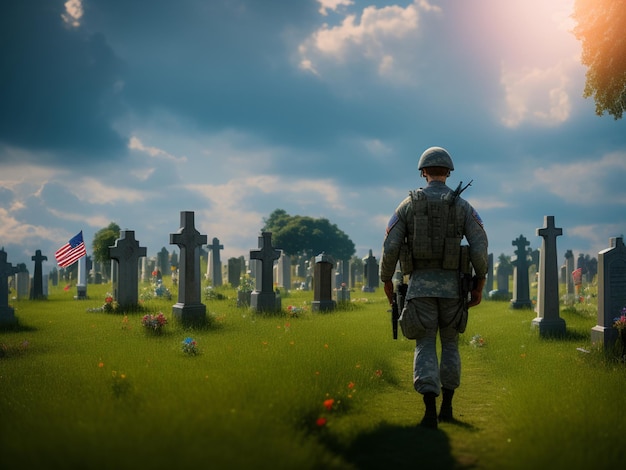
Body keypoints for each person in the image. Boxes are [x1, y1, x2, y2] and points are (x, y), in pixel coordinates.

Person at [380, 146, 488, 429]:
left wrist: (386, 280)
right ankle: (448, 408)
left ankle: (429, 412)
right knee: (451, 343)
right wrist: (480, 283)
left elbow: (390, 246)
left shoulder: (407, 205)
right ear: (449, 172)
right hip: (454, 289)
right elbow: (479, 246)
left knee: (425, 343)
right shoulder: (464, 206)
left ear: (423, 172)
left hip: (419, 290)